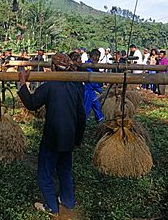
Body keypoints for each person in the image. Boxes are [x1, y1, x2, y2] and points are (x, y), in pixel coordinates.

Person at [18, 53, 86, 217]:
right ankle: (68, 201)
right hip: (69, 139)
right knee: (64, 171)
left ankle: (51, 207)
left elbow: (32, 104)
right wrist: (77, 140)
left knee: (45, 173)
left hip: (53, 138)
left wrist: (22, 82)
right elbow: (81, 116)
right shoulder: (75, 87)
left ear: (53, 67)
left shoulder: (49, 86)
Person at [84, 49, 104, 123]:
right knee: (85, 109)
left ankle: (100, 123)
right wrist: (100, 91)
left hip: (92, 91)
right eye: (98, 57)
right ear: (95, 57)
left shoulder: (93, 65)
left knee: (97, 105)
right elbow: (92, 81)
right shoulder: (87, 65)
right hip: (87, 90)